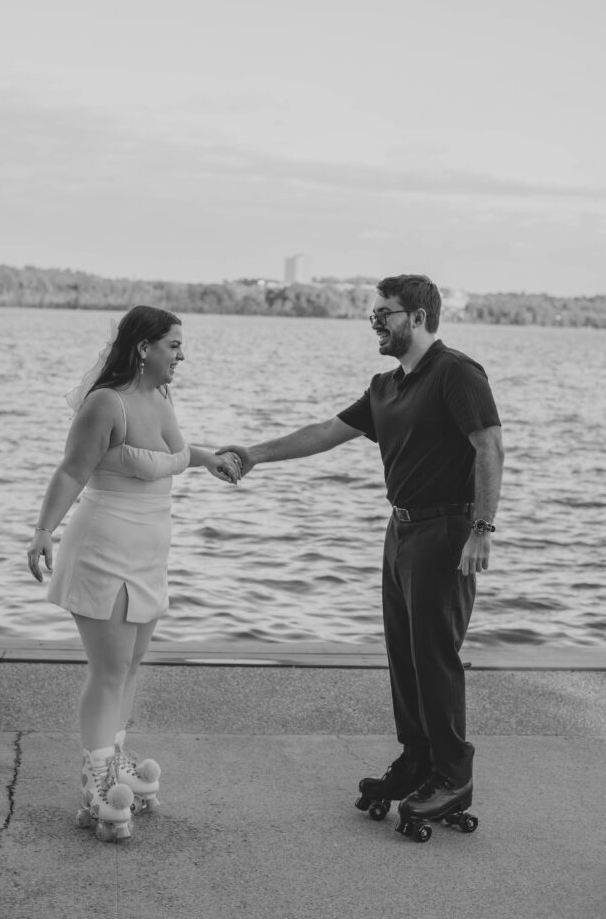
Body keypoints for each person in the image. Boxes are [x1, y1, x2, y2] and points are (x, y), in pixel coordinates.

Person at [219, 274, 504, 840]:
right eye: (373, 314)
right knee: (404, 654)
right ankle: (418, 760)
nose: (375, 322)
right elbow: (326, 432)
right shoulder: (386, 386)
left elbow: (489, 445)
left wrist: (482, 529)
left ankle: (453, 774)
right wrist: (253, 454)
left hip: (447, 529)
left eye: (385, 314)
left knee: (436, 656)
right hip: (400, 531)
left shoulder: (456, 373)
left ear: (418, 317)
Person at [27, 305, 241, 842]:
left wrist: (210, 459)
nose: (181, 356)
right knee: (109, 667)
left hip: (149, 557)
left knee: (133, 663)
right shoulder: (107, 403)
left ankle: (115, 755)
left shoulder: (159, 398)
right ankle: (97, 779)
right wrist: (42, 531)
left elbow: (176, 452)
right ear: (144, 348)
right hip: (103, 551)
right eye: (173, 345)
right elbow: (73, 470)